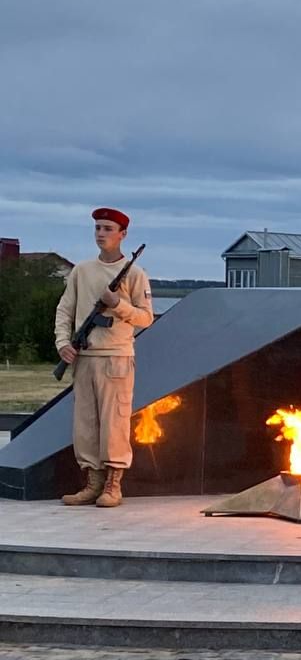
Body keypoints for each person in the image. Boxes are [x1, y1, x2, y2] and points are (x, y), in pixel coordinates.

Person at [54, 207, 153, 508]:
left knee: (114, 422)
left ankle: (113, 485)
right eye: (97, 227)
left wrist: (118, 305)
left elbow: (146, 318)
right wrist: (62, 344)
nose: (100, 233)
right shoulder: (81, 271)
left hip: (116, 358)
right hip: (85, 357)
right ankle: (92, 482)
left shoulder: (135, 274)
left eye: (108, 228)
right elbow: (65, 310)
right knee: (85, 424)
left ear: (122, 234)